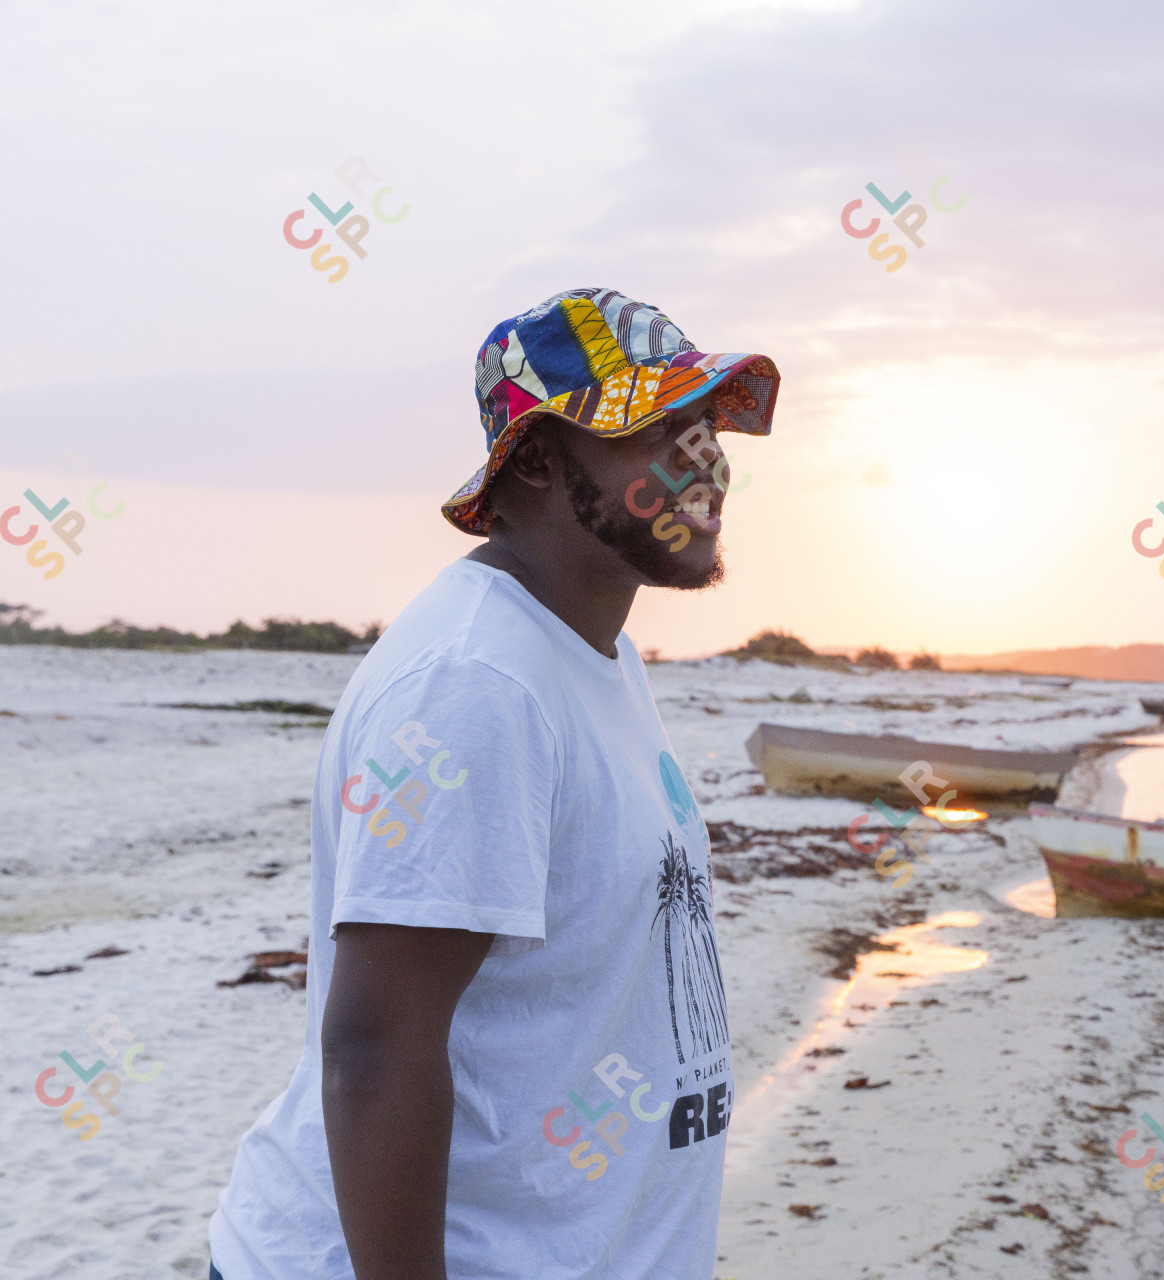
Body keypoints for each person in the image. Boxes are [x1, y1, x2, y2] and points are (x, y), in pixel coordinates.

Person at [207, 288, 779, 1280]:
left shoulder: (595, 658)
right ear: (540, 460)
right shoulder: (478, 681)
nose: (709, 460)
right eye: (662, 428)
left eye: (709, 425)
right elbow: (375, 1050)